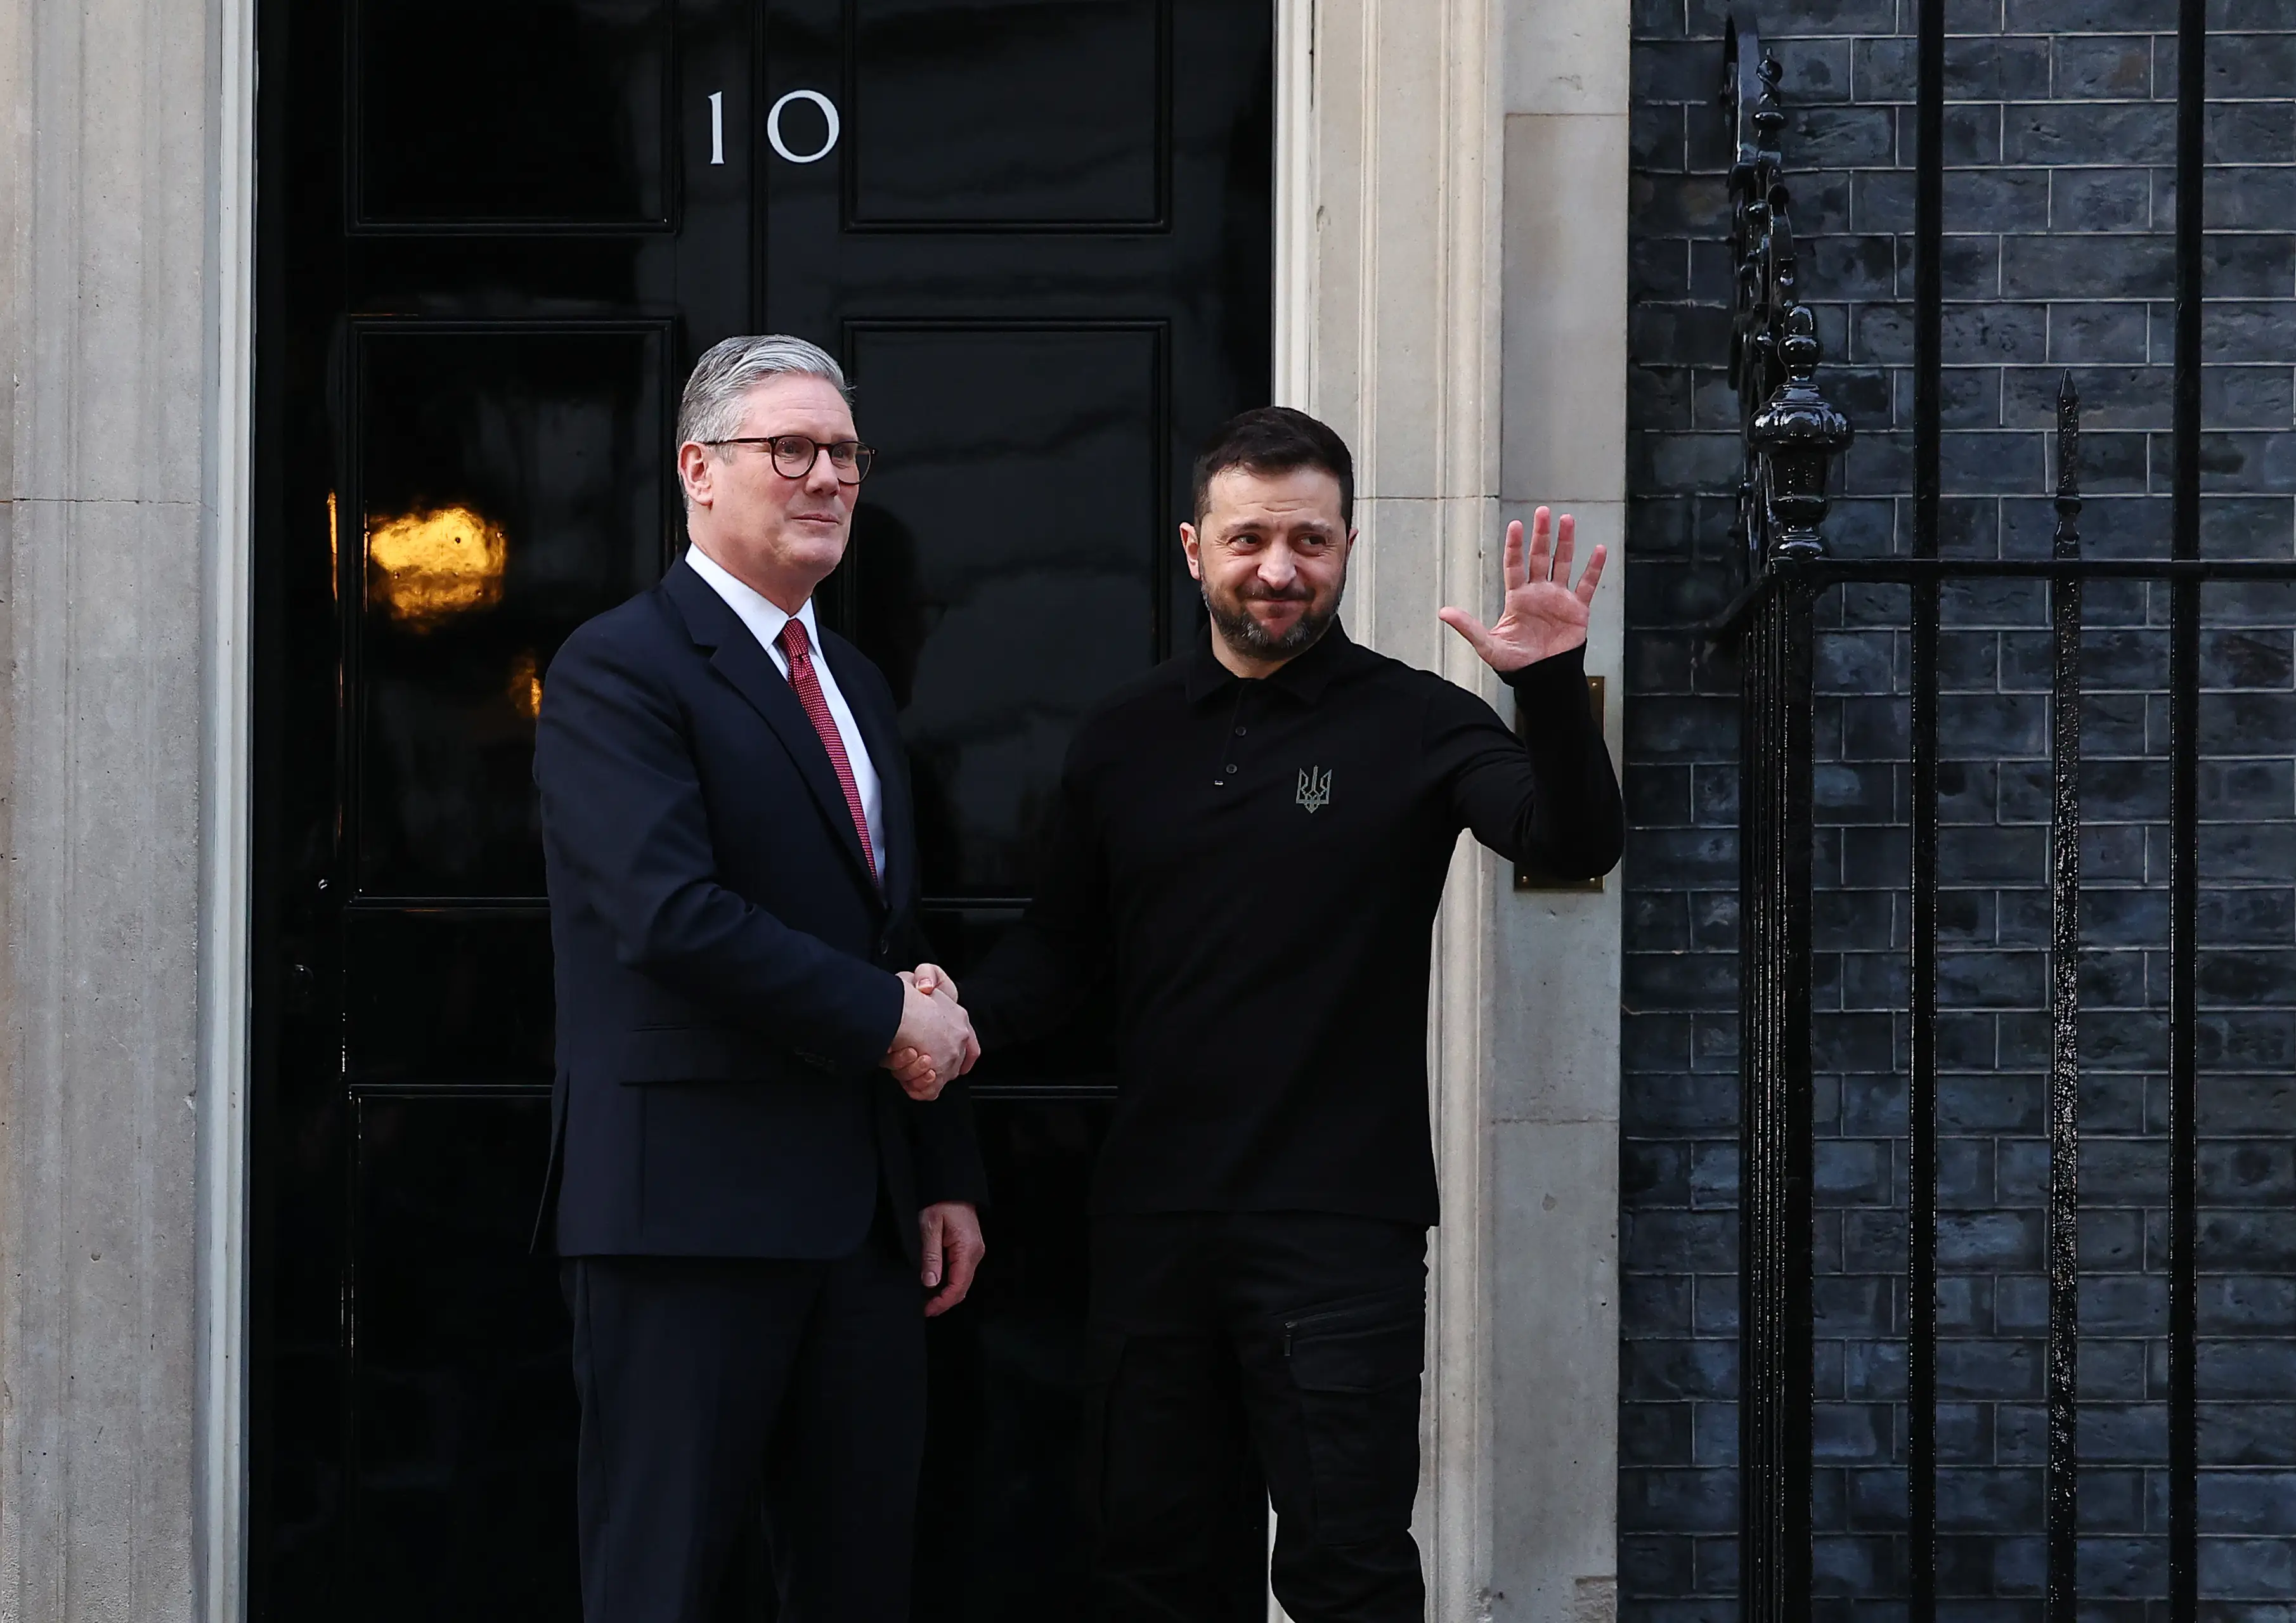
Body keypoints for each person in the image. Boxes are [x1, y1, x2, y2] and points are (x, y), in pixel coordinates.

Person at [892, 406, 1623, 1620]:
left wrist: (1545, 686)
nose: (1278, 569)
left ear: (1347, 546)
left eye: (1309, 540)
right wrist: (943, 1019)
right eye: (1249, 540)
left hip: (1340, 1229)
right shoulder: (1123, 737)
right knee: (1158, 1569)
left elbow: (1572, 837)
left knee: (1351, 1571)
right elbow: (1059, 957)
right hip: (1153, 1223)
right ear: (1194, 549)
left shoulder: (1418, 722)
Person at [533, 333, 988, 1622]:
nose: (828, 476)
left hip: (862, 1222)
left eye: (844, 452)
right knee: (662, 1583)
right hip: (685, 1221)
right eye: (790, 448)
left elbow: (891, 934)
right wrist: (891, 1017)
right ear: (700, 470)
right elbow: (670, 914)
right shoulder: (619, 666)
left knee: (853, 1584)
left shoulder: (847, 677)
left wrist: (942, 1167)